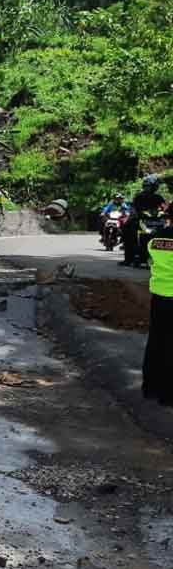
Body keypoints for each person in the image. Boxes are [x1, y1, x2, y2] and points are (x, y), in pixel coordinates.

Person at [143, 202, 173, 406]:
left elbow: (149, 261)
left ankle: (150, 387)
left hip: (159, 297)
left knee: (156, 340)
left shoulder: (155, 238)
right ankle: (168, 394)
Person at [122, 174, 166, 267]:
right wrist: (135, 214)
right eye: (148, 186)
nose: (149, 188)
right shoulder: (139, 196)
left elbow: (164, 207)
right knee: (127, 227)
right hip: (141, 220)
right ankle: (128, 258)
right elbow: (133, 207)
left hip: (157, 221)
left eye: (151, 186)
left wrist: (164, 212)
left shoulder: (158, 197)